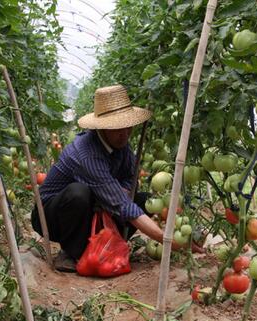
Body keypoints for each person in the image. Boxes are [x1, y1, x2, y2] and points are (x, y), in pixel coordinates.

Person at [31, 85, 203, 272]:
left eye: (128, 126)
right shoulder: (86, 154)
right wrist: (167, 240)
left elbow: (131, 178)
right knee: (79, 193)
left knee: (144, 200)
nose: (125, 133)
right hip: (51, 217)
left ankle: (107, 242)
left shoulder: (122, 146)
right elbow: (123, 206)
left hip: (92, 209)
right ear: (102, 127)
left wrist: (125, 189)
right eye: (117, 128)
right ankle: (72, 253)